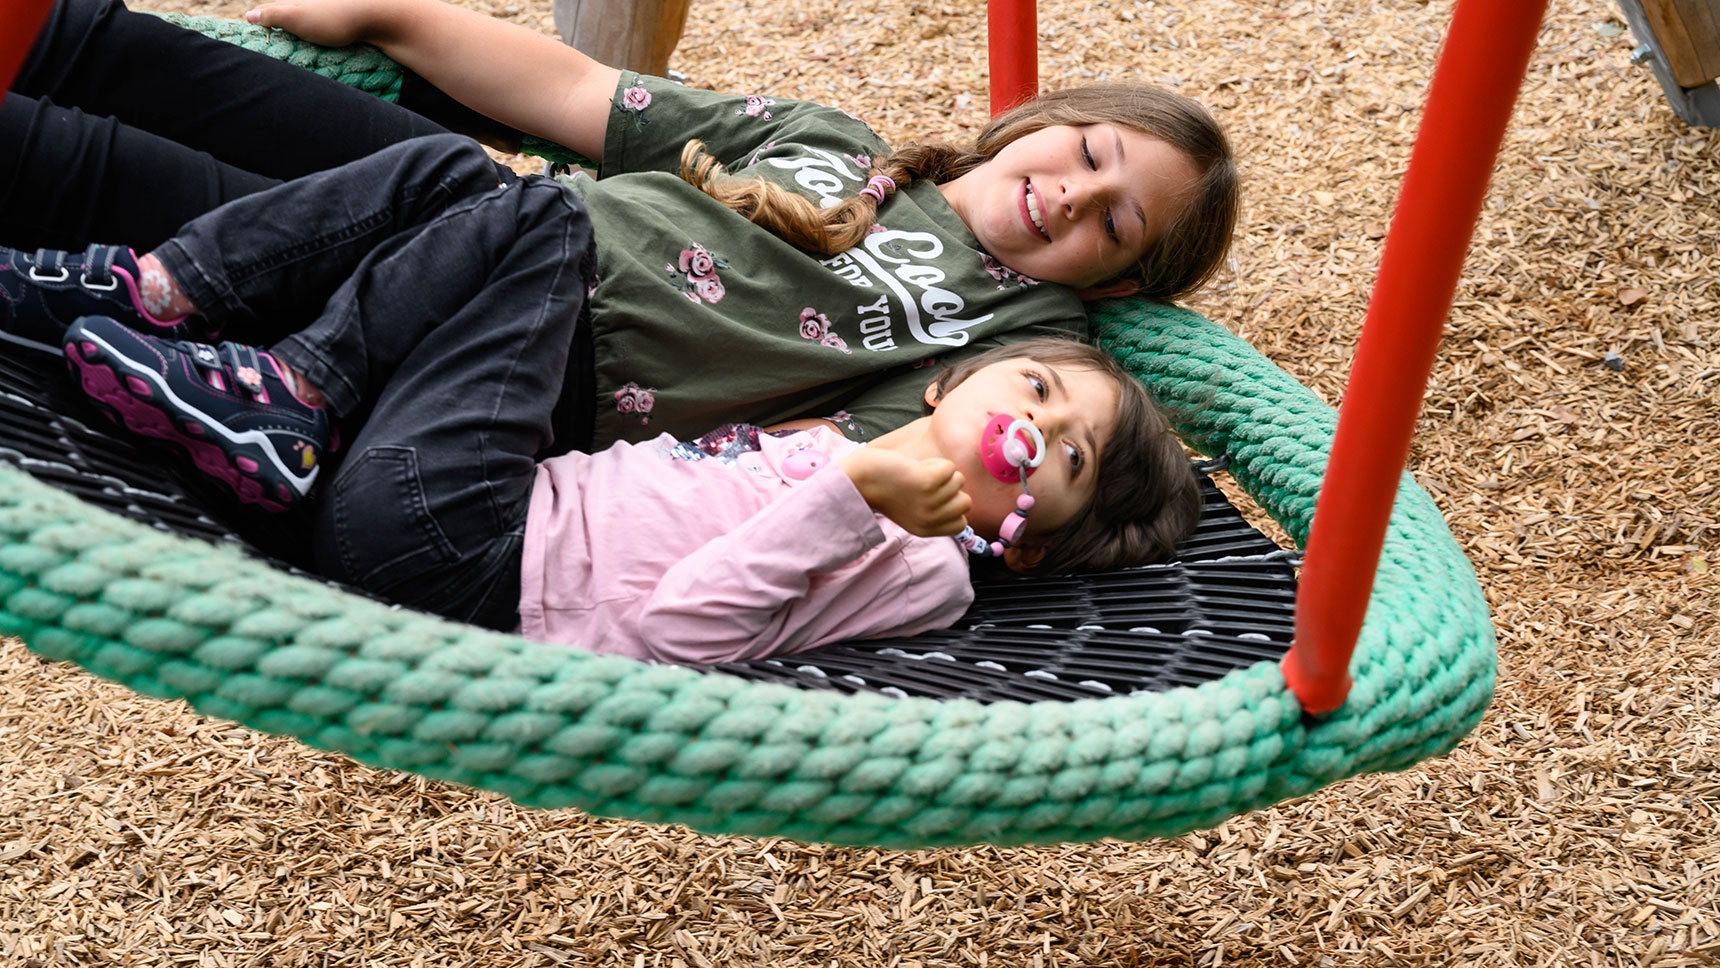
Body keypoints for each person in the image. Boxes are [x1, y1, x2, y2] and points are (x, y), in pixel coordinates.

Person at [4, 0, 1239, 457]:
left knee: (106, 172)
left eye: (1114, 223)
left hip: (511, 352)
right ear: (1037, 123)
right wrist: (394, 16)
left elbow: (897, 454)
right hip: (494, 214)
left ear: (1120, 285)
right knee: (124, 54)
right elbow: (580, 98)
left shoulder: (1021, 329)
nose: (1072, 194)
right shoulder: (834, 142)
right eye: (1086, 153)